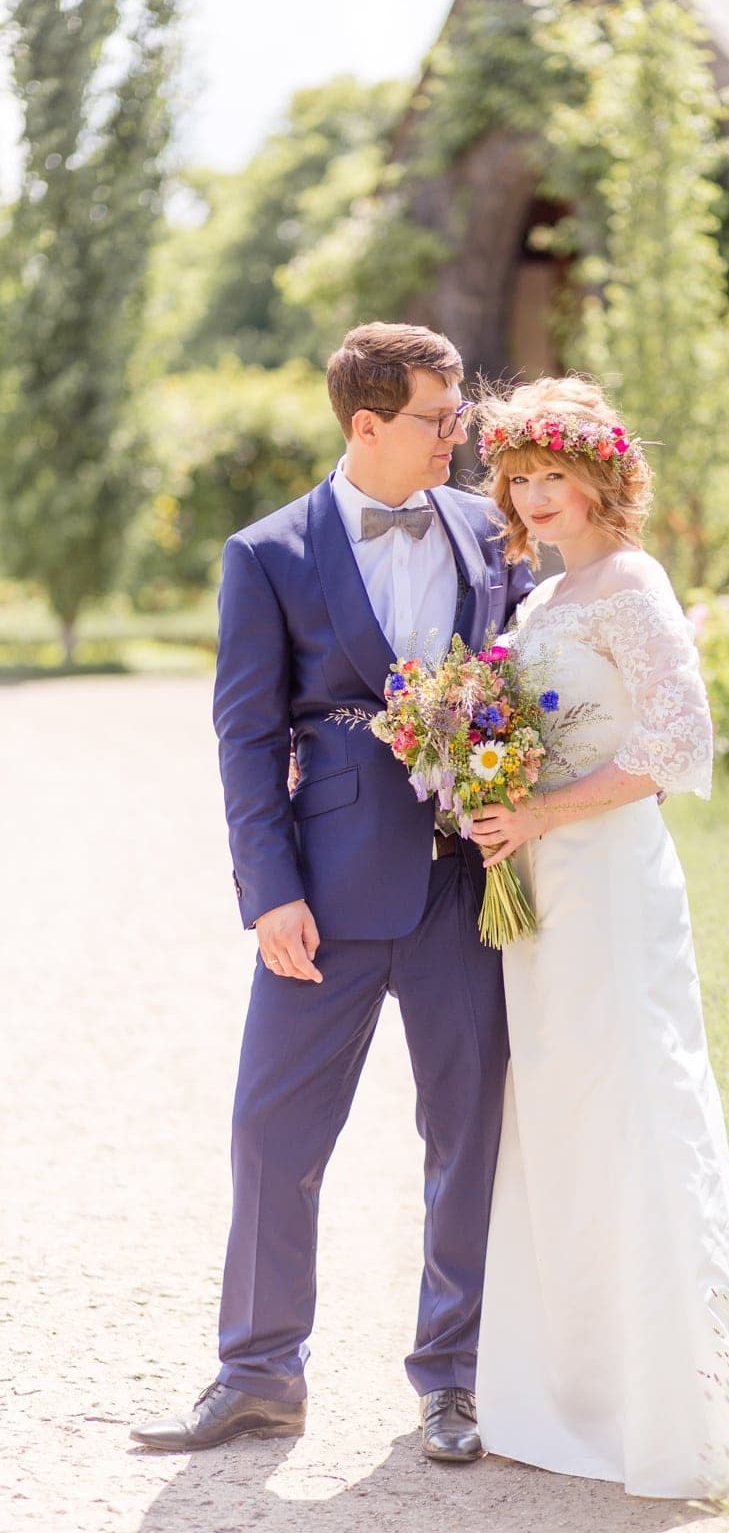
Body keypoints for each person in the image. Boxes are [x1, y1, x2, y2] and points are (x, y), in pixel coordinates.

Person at [130, 323, 534, 1462]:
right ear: (367, 425)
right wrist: (267, 893)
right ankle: (258, 1373)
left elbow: (522, 688)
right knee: (271, 1132)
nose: (459, 436)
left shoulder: (489, 533)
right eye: (436, 419)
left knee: (466, 1135)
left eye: (457, 414)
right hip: (324, 897)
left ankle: (452, 1381)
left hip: (466, 888)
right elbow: (246, 736)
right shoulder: (267, 554)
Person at [468, 377, 729, 1500]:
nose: (536, 498)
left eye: (554, 476)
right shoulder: (539, 605)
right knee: (557, 1109)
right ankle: (565, 1393)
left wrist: (541, 811)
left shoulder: (631, 583)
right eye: (521, 480)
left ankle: (669, 1409)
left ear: (601, 476)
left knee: (633, 1096)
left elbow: (682, 746)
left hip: (609, 878)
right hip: (538, 885)